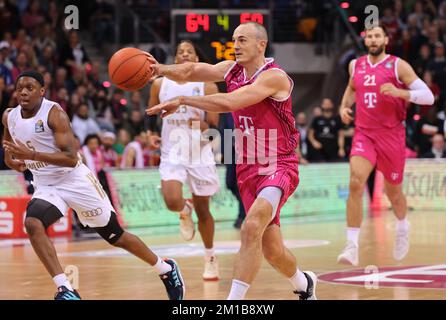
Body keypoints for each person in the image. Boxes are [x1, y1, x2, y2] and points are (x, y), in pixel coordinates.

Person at [147, 22, 317, 300]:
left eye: (243, 40)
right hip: (247, 167)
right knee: (272, 250)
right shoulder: (231, 70)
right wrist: (160, 70)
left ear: (261, 45)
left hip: (278, 165)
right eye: (234, 40)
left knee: (250, 227)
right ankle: (304, 283)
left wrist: (183, 100)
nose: (236, 45)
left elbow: (230, 102)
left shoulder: (274, 77)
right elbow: (191, 70)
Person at [2, 71, 185, 300]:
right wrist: (14, 160)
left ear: (42, 91)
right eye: (20, 88)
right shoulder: (9, 116)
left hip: (74, 180)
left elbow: (70, 157)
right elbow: (9, 149)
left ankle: (165, 269)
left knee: (114, 236)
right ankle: (65, 289)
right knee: (33, 222)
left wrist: (31, 154)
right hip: (47, 184)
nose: (24, 92)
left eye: (30, 87)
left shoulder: (54, 114)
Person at [337, 26, 434, 266]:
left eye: (377, 36)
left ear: (386, 39)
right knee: (355, 182)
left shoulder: (398, 65)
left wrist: (401, 93)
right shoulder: (356, 65)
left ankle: (402, 226)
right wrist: (343, 107)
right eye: (369, 36)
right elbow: (351, 88)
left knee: (393, 193)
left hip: (391, 136)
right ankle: (352, 246)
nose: (373, 39)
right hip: (364, 134)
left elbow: (428, 96)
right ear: (365, 40)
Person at [147, 40, 221, 281]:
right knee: (171, 200)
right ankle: (183, 209)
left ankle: (210, 256)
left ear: (197, 59)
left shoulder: (207, 85)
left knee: (204, 210)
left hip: (199, 152)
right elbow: (151, 114)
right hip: (172, 151)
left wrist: (201, 126)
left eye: (190, 51)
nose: (185, 54)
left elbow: (214, 128)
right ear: (175, 60)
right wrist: (151, 134)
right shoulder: (160, 83)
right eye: (180, 52)